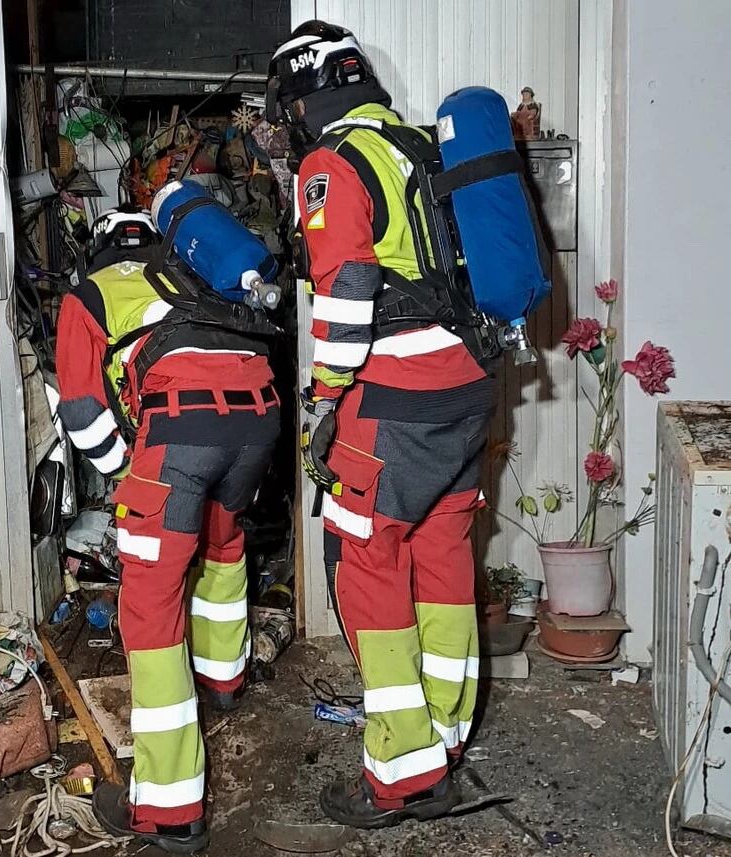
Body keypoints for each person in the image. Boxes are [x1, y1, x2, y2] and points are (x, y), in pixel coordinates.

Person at [267, 21, 495, 828]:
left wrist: (325, 397)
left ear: (303, 98)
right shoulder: (423, 146)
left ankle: (400, 774)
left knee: (368, 566)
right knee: (441, 555)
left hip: (389, 398)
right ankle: (446, 741)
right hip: (466, 387)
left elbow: (349, 282)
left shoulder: (331, 163)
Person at [55, 207, 280, 854]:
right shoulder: (193, 269)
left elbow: (81, 409)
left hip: (183, 423)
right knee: (222, 537)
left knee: (151, 602)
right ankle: (224, 678)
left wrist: (129, 473)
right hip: (259, 410)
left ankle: (169, 807)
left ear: (98, 248)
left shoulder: (90, 293)